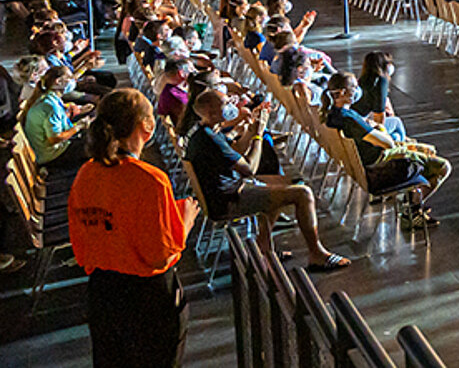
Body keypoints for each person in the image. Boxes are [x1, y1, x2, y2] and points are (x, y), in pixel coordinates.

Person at [66, 89, 200, 368]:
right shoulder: (150, 180)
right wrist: (184, 224)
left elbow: (83, 243)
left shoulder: (86, 173)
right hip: (148, 300)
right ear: (146, 127)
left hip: (103, 294)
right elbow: (160, 257)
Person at [184, 89, 349, 270]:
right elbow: (249, 169)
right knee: (303, 193)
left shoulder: (204, 132)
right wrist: (258, 135)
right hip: (229, 200)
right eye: (225, 104)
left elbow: (236, 151)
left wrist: (250, 129)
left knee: (279, 187)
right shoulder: (210, 139)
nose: (231, 107)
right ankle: (317, 254)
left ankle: (263, 249)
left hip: (226, 192)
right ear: (211, 112)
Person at [323, 73, 449, 229]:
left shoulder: (331, 115)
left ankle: (413, 200)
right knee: (443, 166)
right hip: (381, 165)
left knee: (415, 146)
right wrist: (379, 129)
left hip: (363, 164)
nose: (357, 91)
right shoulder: (349, 118)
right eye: (354, 88)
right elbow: (388, 143)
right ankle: (413, 209)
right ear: (342, 93)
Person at [22, 66, 90, 168]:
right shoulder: (50, 106)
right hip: (52, 156)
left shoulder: (50, 99)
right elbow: (54, 138)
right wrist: (78, 127)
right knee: (97, 144)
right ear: (58, 81)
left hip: (52, 150)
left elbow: (56, 123)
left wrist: (72, 113)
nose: (72, 80)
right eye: (69, 77)